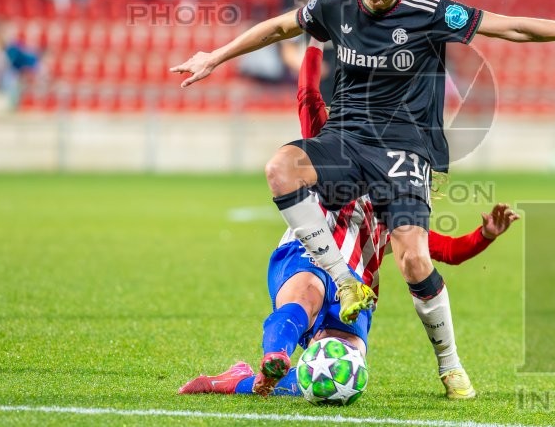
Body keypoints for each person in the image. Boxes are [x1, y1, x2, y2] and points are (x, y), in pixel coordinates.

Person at [170, 0, 555, 398]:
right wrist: (213, 57)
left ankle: (450, 366)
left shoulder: (430, 11)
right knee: (279, 169)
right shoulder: (337, 4)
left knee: (415, 259)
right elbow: (280, 28)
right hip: (347, 138)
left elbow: (510, 28)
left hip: (404, 149)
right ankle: (342, 278)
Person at [178, 39, 518, 397]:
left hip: (356, 294)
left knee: (334, 377)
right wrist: (314, 41)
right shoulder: (335, 151)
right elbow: (309, 95)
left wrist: (486, 234)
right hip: (306, 258)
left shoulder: (401, 206)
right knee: (307, 293)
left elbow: (444, 252)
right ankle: (275, 353)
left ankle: (237, 381)